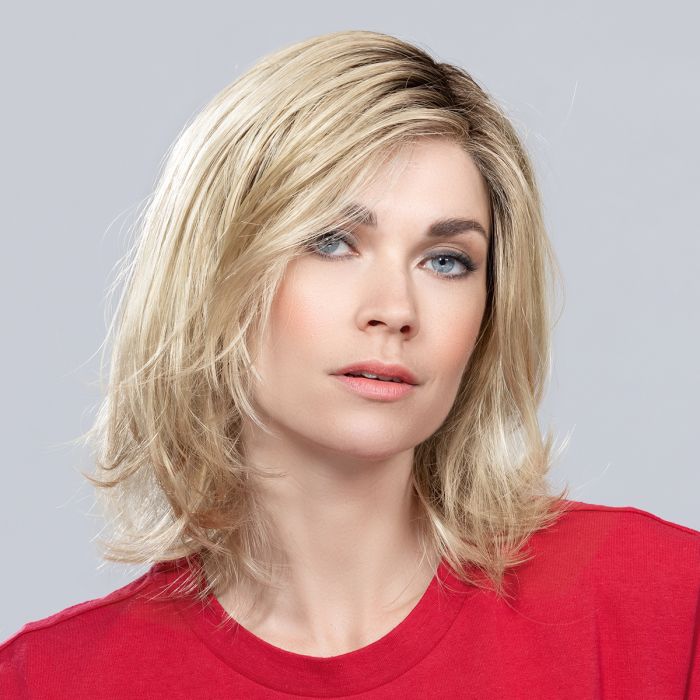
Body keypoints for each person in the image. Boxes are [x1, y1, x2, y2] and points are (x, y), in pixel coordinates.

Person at [1, 29, 697, 699]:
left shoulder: (662, 609)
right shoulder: (49, 683)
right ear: (214, 274)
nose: (395, 309)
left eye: (445, 261)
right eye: (332, 242)